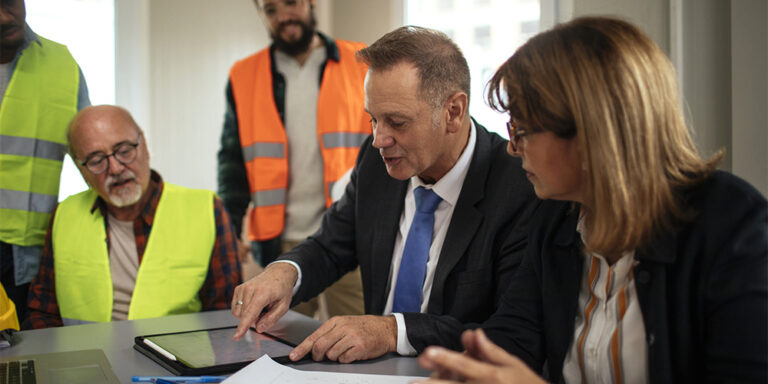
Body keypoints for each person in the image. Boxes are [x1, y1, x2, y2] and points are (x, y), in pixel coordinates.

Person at [417, 16, 768, 383]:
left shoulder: (733, 228)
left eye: (521, 130)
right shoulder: (555, 220)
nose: (512, 147)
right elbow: (510, 338)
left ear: (590, 131)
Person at [231, 26, 538, 364]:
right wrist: (286, 272)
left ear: (453, 112)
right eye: (373, 120)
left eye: (397, 122)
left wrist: (392, 331)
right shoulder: (378, 161)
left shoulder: (519, 187)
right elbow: (331, 245)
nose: (379, 139)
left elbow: (510, 334)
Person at [24, 105, 242, 329]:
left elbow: (225, 316)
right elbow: (43, 311)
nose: (116, 168)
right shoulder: (64, 214)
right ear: (82, 170)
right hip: (81, 357)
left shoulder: (206, 209)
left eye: (125, 150)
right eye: (97, 160)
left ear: (144, 145)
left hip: (175, 359)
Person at [218, 0, 369, 320]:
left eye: (290, 3)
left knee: (360, 343)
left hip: (350, 236)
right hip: (280, 244)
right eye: (271, 9)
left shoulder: (361, 63)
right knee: (278, 344)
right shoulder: (244, 75)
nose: (283, 16)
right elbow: (233, 161)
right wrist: (229, 229)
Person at [0, 0, 90, 325]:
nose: (3, 16)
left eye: (9, 2)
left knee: (23, 358)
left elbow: (91, 155)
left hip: (27, 253)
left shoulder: (61, 64)